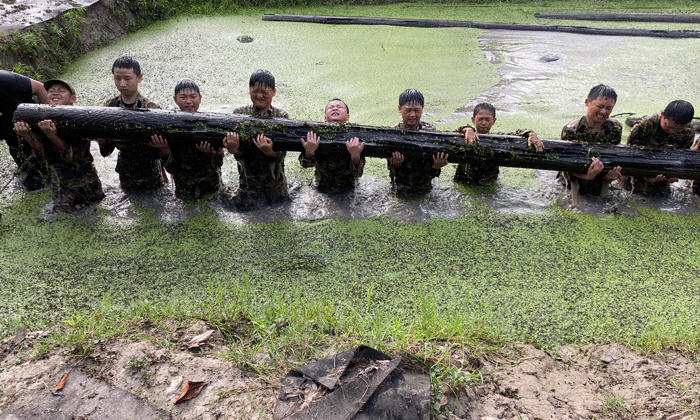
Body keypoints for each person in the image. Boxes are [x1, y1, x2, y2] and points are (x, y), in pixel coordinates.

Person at [13, 79, 104, 213]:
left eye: (61, 90)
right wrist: (26, 136)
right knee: (59, 219)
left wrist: (52, 136)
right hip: (62, 186)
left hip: (86, 184)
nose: (55, 93)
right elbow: (41, 158)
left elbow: (75, 159)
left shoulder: (80, 120)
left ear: (72, 98)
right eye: (51, 90)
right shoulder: (41, 118)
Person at [98, 56, 166, 191]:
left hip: (152, 173)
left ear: (139, 77)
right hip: (125, 173)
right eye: (117, 79)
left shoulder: (151, 108)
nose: (122, 84)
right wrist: (101, 140)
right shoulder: (109, 107)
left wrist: (162, 147)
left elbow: (163, 152)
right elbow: (106, 151)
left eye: (127, 79)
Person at [148, 80, 224, 199]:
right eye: (183, 97)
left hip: (210, 189)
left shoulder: (210, 124)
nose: (188, 101)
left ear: (200, 98)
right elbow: (171, 169)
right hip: (184, 192)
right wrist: (166, 151)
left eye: (193, 97)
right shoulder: (169, 126)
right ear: (175, 99)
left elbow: (219, 162)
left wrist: (209, 153)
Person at [225, 69, 288, 208]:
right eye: (255, 91)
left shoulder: (281, 117)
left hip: (275, 184)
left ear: (273, 92)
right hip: (247, 183)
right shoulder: (239, 114)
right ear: (249, 90)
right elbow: (238, 151)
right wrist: (234, 150)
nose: (259, 96)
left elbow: (283, 152)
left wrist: (270, 152)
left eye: (264, 92)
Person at [454, 102, 544, 185]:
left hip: (489, 183)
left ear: (494, 121)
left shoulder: (497, 138)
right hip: (463, 182)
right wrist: (468, 129)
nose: (484, 123)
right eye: (480, 119)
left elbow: (517, 134)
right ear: (473, 120)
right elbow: (455, 132)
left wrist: (531, 134)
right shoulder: (465, 136)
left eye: (487, 119)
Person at [558, 85, 623, 200]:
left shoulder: (615, 128)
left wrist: (610, 177)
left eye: (609, 108)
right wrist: (587, 176)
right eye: (600, 106)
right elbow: (565, 164)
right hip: (571, 181)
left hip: (599, 180)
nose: (603, 112)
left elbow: (613, 156)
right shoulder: (571, 129)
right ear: (587, 102)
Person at [626, 100, 695, 196]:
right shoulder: (647, 124)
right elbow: (630, 150)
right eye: (668, 126)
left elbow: (681, 155)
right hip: (641, 164)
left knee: (662, 196)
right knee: (635, 194)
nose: (672, 131)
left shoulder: (688, 132)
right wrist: (646, 177)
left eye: (678, 129)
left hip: (665, 168)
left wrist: (672, 175)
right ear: (662, 114)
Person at [388, 89, 449, 196]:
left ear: (422, 109)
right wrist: (396, 165)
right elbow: (391, 171)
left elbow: (432, 172)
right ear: (399, 109)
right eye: (408, 110)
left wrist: (436, 166)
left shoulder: (430, 131)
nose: (412, 115)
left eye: (417, 110)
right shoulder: (393, 132)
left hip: (426, 190)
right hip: (400, 191)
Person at [299, 99, 365, 193]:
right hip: (321, 189)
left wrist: (355, 156)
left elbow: (358, 174)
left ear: (347, 117)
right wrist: (309, 152)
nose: (335, 108)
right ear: (325, 118)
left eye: (339, 107)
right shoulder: (315, 135)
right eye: (331, 107)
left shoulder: (355, 138)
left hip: (349, 191)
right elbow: (305, 165)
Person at [0, 70, 51, 190]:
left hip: (29, 115)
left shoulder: (4, 78)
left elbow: (40, 88)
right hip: (9, 124)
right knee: (30, 179)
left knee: (46, 166)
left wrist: (46, 127)